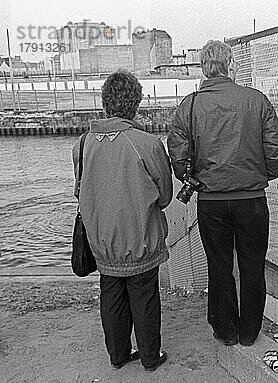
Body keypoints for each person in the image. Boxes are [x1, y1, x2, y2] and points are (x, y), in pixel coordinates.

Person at [167, 40, 278, 347]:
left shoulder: (190, 105)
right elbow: (276, 146)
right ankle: (249, 331)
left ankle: (226, 330)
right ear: (231, 64)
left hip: (212, 202)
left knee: (219, 267)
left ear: (203, 68)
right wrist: (264, 175)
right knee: (252, 265)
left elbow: (177, 151)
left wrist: (190, 177)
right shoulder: (256, 100)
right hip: (251, 199)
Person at [72, 70, 172, 372]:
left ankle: (117, 355)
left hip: (102, 242)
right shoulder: (147, 143)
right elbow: (164, 195)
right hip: (140, 238)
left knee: (111, 296)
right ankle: (150, 358)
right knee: (145, 297)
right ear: (135, 104)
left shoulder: (83, 144)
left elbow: (80, 190)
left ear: (105, 103)